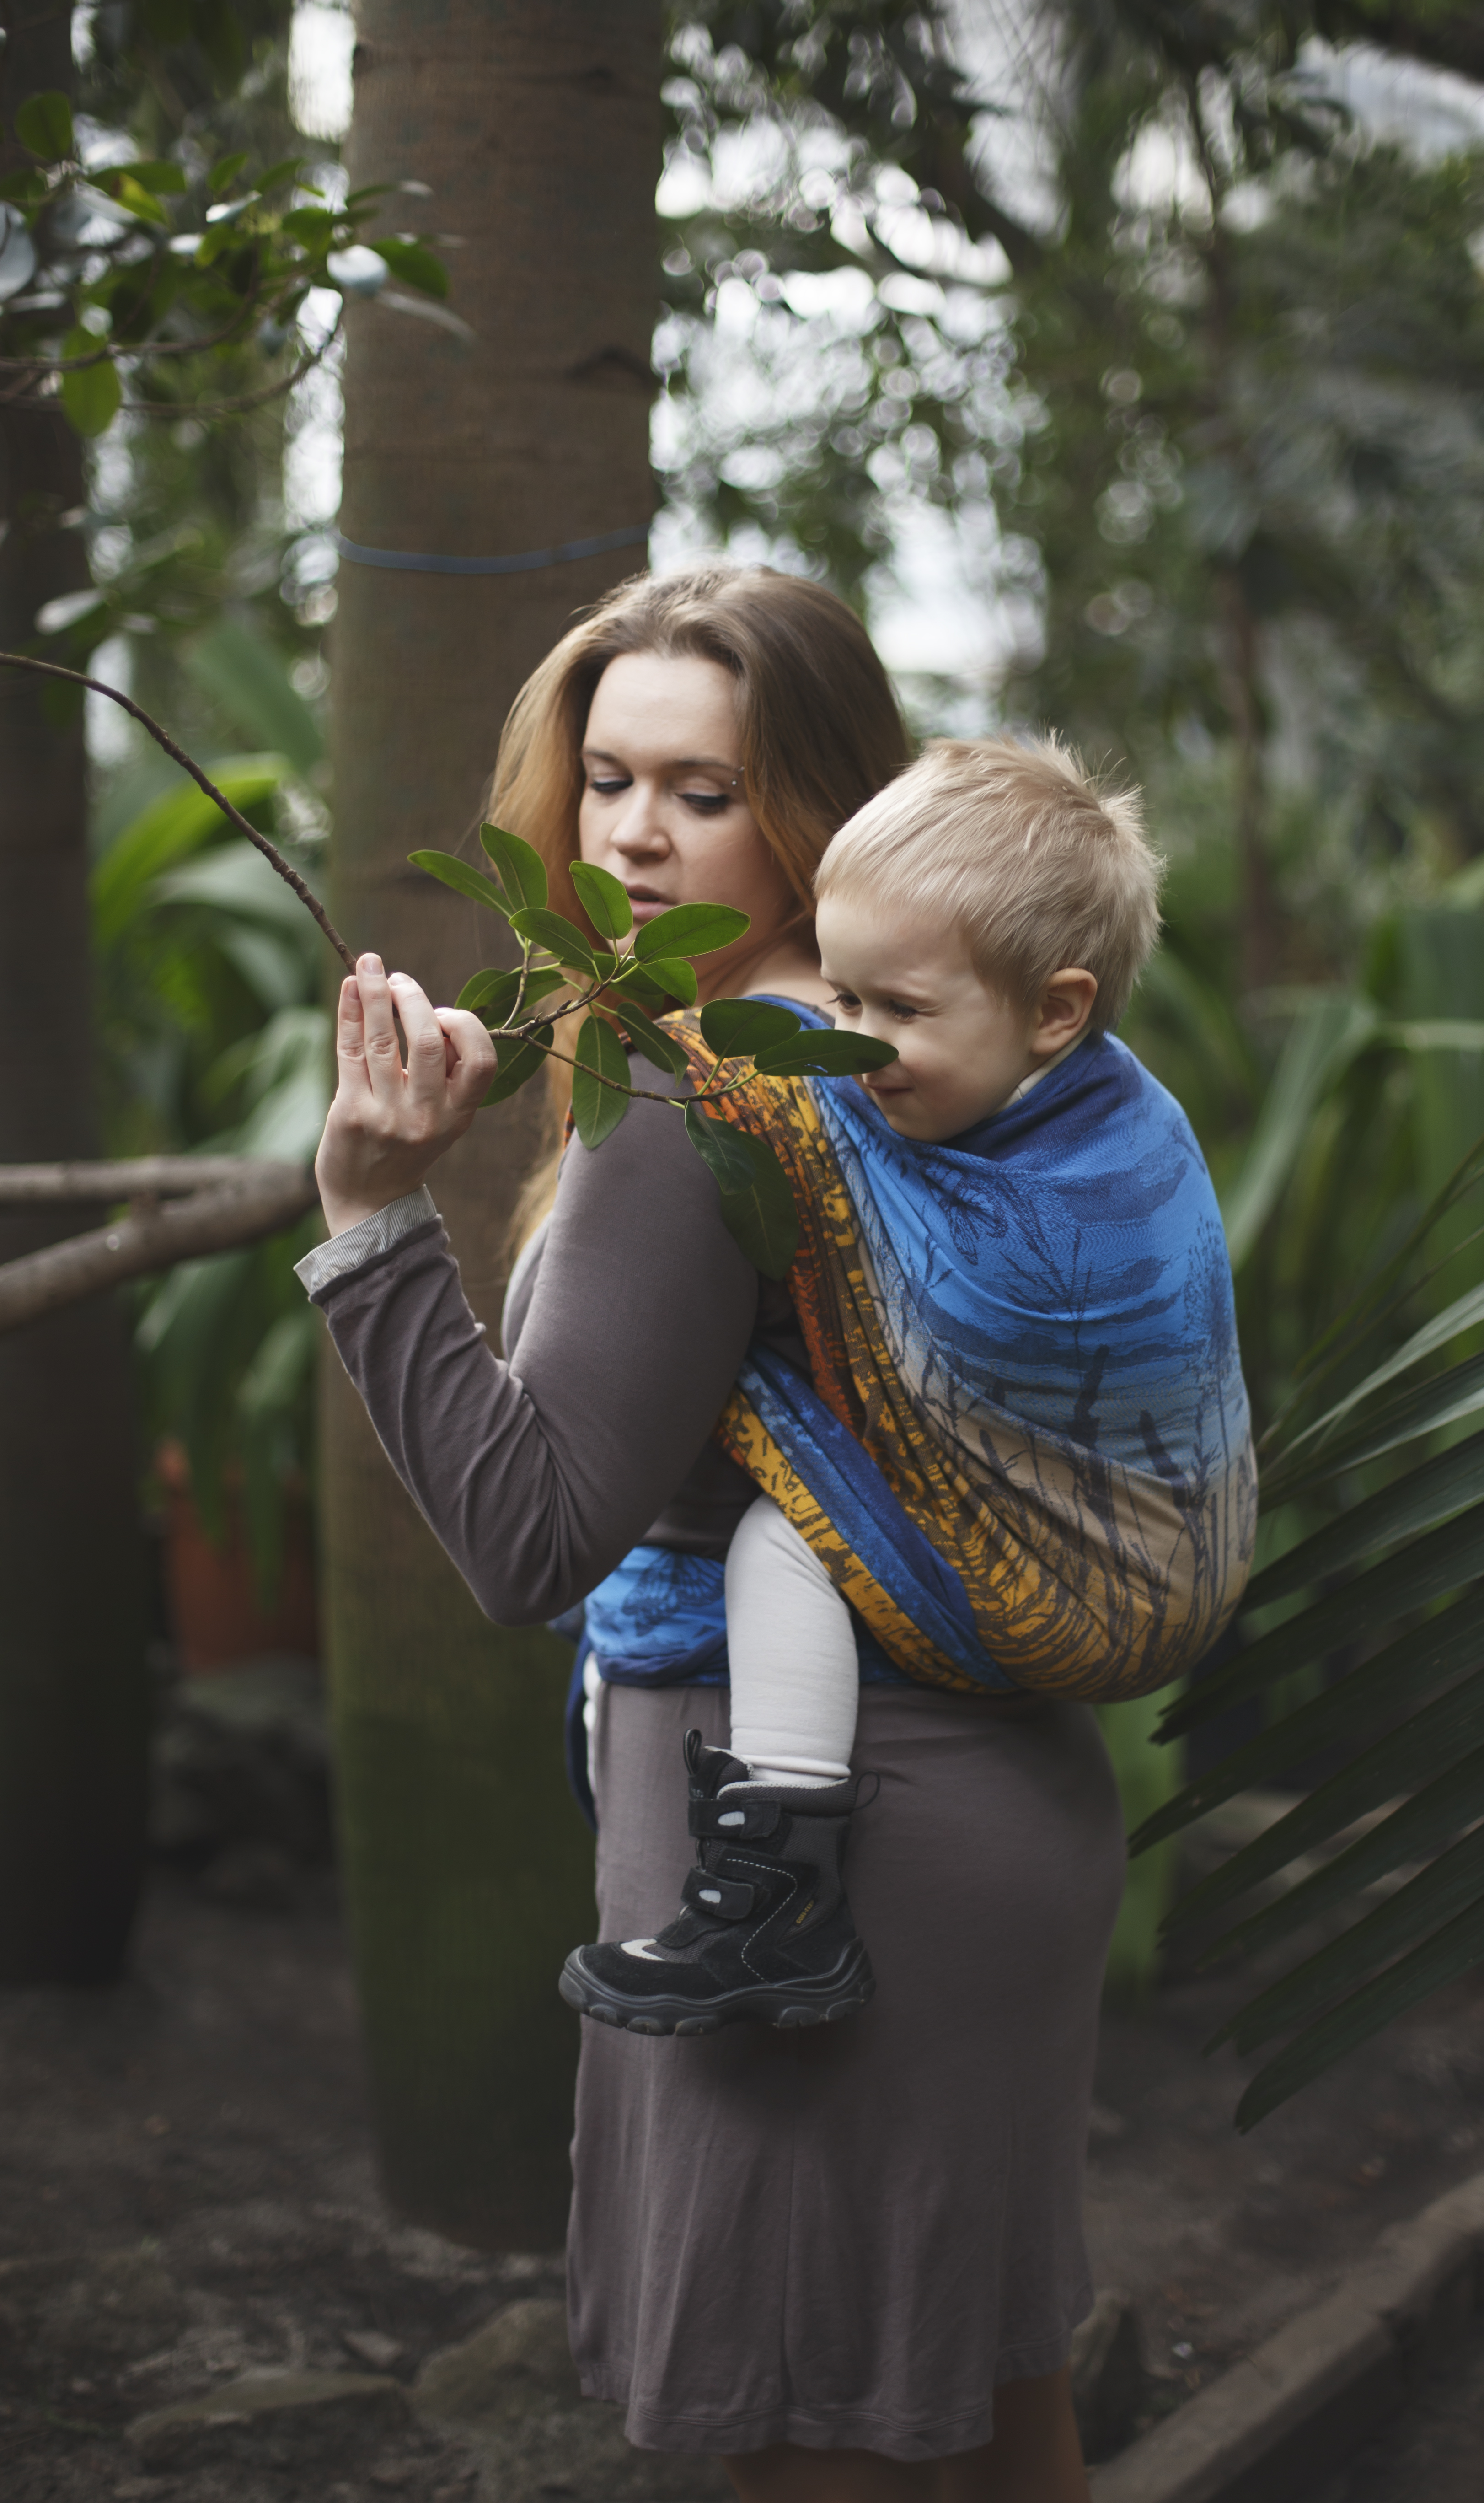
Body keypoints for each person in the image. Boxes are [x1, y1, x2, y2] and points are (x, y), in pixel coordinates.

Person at [297, 564, 1207, 2500]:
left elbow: (531, 1536)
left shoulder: (711, 1095)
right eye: (607, 776)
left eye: (703, 789)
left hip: (805, 1883)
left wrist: (376, 1218)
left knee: (825, 2444)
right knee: (989, 2412)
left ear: (816, 806)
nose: (633, 833)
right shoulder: (960, 1065)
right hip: (1000, 1822)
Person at [558, 734, 1255, 2041]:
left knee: (788, 1526)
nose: (851, 1048)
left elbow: (1026, 1313)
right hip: (1076, 1669)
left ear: (1057, 1012)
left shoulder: (1121, 1153)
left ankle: (784, 1902)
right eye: (842, 995)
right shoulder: (1012, 1092)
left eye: (902, 1012)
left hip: (1099, 1576)